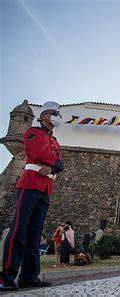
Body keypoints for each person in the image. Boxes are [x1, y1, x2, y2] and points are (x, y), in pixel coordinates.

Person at [1, 101, 64, 291]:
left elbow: (59, 163)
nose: (57, 117)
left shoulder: (54, 141)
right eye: (54, 113)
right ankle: (7, 277)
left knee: (34, 235)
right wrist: (55, 165)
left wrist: (54, 166)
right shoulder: (33, 133)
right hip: (29, 185)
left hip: (45, 188)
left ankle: (29, 276)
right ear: (45, 115)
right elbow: (39, 153)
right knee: (19, 230)